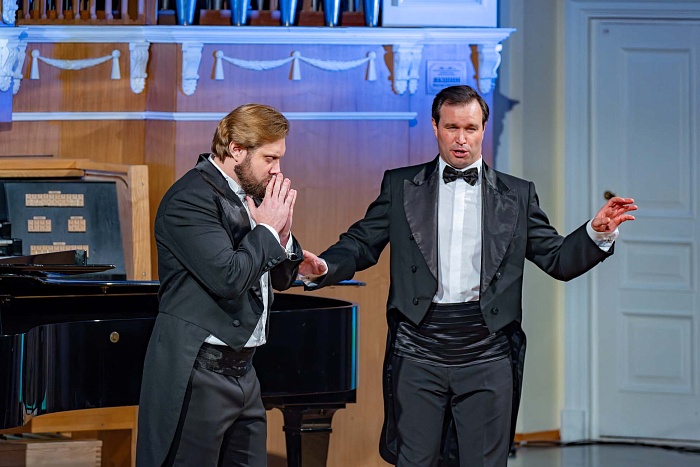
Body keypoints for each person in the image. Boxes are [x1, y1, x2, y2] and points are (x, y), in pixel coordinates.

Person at [299, 85, 637, 467]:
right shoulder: (401, 185)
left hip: (487, 347)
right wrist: (325, 266)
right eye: (452, 127)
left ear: (483, 129)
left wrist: (595, 234)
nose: (461, 139)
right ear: (435, 127)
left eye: (471, 128)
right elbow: (361, 243)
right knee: (415, 461)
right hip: (418, 345)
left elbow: (557, 259)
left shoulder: (517, 194)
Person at [136, 103, 303, 467]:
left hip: (245, 372)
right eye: (270, 158)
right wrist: (267, 230)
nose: (277, 170)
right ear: (236, 149)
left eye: (279, 158)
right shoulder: (190, 199)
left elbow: (281, 278)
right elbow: (229, 278)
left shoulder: (254, 193)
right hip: (198, 374)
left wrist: (284, 237)